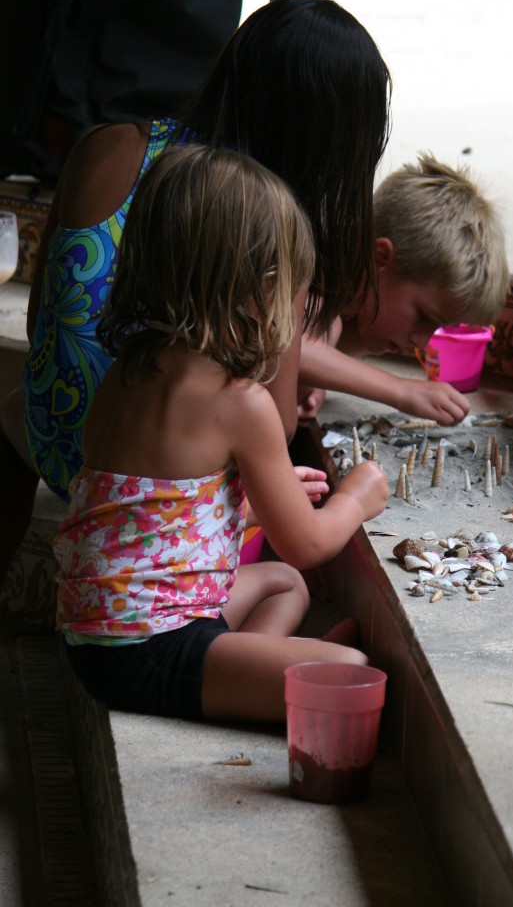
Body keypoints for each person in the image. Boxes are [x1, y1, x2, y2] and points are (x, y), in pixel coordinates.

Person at [0, 0, 391, 584]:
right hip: (141, 484)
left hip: (47, 433)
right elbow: (277, 425)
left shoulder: (110, 144)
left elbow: (41, 323)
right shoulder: (268, 224)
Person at [54, 145, 389, 723]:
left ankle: (254, 669)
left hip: (105, 631)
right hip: (149, 649)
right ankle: (253, 678)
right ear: (261, 293)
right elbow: (307, 545)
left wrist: (242, 511)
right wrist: (354, 498)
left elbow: (139, 515)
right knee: (354, 671)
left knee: (286, 585)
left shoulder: (128, 372)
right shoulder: (241, 402)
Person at [298, 154, 509, 422]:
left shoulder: (357, 308)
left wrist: (322, 375)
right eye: (424, 317)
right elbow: (293, 348)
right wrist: (400, 390)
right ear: (381, 259)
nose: (421, 342)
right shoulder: (307, 263)